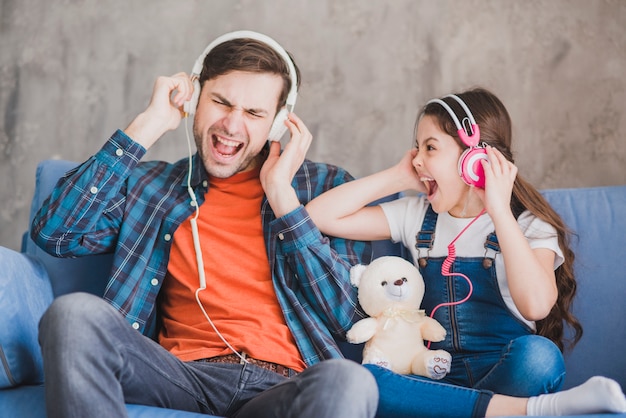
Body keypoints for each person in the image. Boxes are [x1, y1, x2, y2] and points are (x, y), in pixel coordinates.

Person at [31, 31, 378, 418]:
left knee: (350, 380)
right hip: (180, 378)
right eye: (221, 102)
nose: (231, 124)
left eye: (254, 113)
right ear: (195, 99)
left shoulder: (325, 189)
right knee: (74, 315)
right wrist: (148, 124)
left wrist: (284, 200)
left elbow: (350, 316)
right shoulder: (152, 186)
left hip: (284, 387)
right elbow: (54, 233)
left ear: (278, 123)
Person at [305, 87, 626, 417]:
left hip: (503, 375)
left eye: (430, 148)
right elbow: (316, 217)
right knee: (366, 379)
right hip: (434, 375)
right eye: (418, 148)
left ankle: (465, 410)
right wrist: (397, 176)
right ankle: (530, 410)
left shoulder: (527, 225)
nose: (417, 158)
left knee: (539, 357)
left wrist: (499, 211)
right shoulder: (416, 216)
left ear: (474, 160)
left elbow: (537, 304)